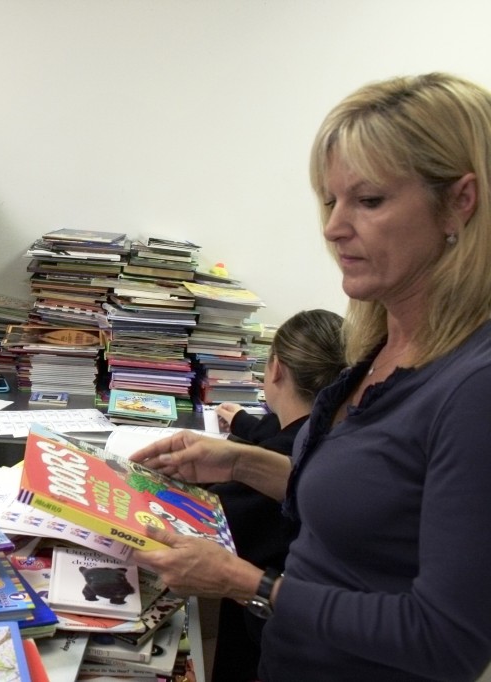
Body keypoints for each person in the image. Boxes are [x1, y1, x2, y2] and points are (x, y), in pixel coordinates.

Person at [130, 73, 491, 681]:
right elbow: (380, 501)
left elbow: (447, 641)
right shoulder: (381, 340)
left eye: (369, 201)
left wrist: (245, 582)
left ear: (460, 201)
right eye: (330, 200)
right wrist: (241, 461)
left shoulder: (474, 387)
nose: (333, 227)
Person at [208, 309, 346, 682]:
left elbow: (212, 517)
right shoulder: (333, 436)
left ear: (276, 369)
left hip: (259, 641)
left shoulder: (276, 473)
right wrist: (242, 421)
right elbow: (276, 430)